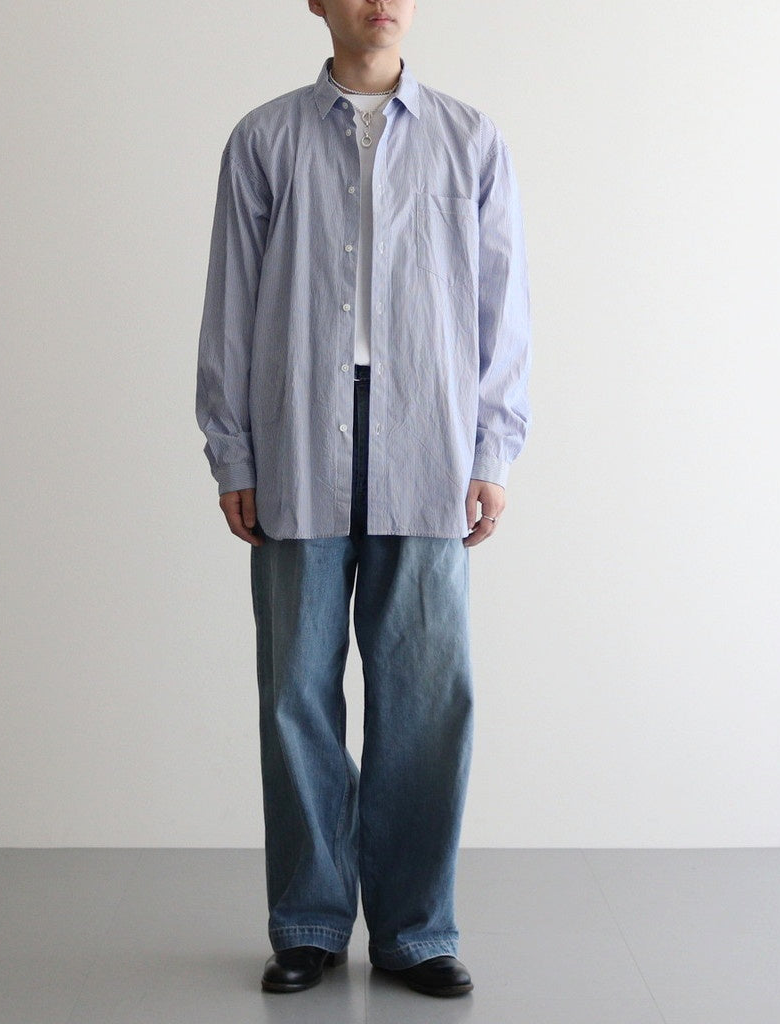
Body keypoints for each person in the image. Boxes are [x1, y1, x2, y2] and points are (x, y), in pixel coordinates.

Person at [196, 0, 531, 999]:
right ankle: (307, 921)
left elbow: (502, 306)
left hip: (427, 437)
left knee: (426, 697)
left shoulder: (471, 139)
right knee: (295, 690)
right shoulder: (264, 139)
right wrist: (232, 448)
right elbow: (230, 299)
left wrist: (492, 447)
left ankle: (416, 931)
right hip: (297, 430)